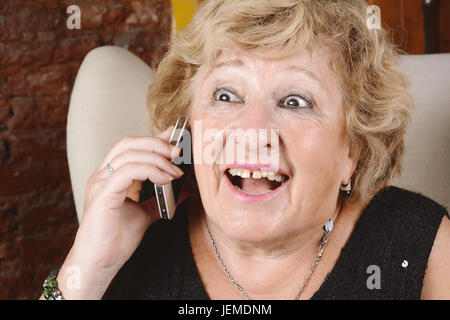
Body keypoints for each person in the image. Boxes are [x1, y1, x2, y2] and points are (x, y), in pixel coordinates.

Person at [41, 0, 449, 300]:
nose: (252, 130)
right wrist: (87, 270)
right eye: (225, 94)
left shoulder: (420, 245)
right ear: (187, 128)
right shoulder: (133, 234)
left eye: (295, 101)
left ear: (352, 151)